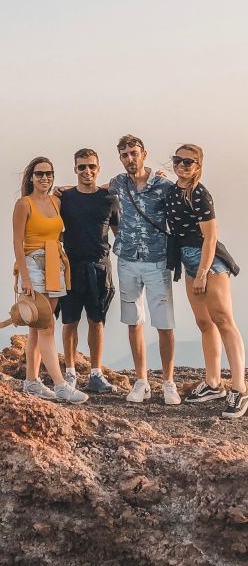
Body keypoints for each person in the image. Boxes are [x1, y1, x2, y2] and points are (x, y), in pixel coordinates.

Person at [166, 144, 247, 418]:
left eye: (189, 162)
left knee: (223, 319)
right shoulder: (173, 190)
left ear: (198, 166)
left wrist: (202, 273)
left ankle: (239, 388)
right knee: (204, 322)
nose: (182, 165)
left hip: (208, 262)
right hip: (188, 261)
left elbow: (210, 237)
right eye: (178, 160)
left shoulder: (199, 194)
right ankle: (213, 383)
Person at [108, 135, 180, 405]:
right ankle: (141, 381)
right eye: (125, 155)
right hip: (126, 259)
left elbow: (182, 206)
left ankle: (168, 382)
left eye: (134, 153)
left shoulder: (163, 185)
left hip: (156, 259)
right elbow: (94, 190)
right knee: (133, 320)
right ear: (121, 158)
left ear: (144, 153)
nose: (130, 158)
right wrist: (64, 189)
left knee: (164, 322)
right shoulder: (118, 183)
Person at [12, 156, 88, 404]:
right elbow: (17, 242)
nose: (44, 177)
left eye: (49, 173)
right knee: (46, 327)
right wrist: (24, 277)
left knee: (37, 327)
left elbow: (83, 192)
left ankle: (32, 381)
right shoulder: (24, 204)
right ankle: (60, 384)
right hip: (33, 263)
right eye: (39, 174)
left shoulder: (56, 201)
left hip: (55, 262)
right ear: (31, 178)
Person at [57, 148, 118, 393]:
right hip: (71, 266)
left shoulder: (109, 199)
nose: (87, 171)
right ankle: (70, 373)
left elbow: (119, 231)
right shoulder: (65, 198)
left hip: (100, 266)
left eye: (91, 166)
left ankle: (96, 373)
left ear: (98, 168)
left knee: (97, 320)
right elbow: (50, 224)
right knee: (69, 321)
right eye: (82, 167)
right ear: (75, 169)